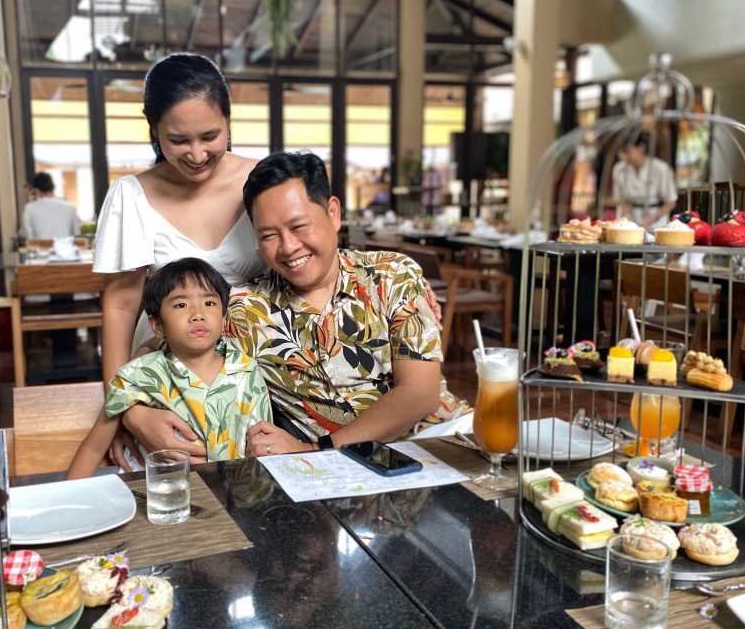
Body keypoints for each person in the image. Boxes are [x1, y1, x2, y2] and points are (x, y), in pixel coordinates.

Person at [122, 151, 469, 458]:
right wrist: (133, 413)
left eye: (299, 226)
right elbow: (157, 348)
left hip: (438, 441)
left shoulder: (392, 275)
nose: (288, 247)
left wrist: (318, 451)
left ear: (333, 213)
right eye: (268, 235)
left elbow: (419, 395)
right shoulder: (245, 309)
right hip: (347, 476)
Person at [86, 53, 266, 469]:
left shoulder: (262, 180)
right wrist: (128, 410)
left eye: (210, 136)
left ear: (229, 122)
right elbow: (120, 306)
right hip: (164, 379)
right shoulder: (132, 195)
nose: (197, 154)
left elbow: (308, 258)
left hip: (251, 378)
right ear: (154, 131)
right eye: (178, 140)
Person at [66, 258, 272, 478]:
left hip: (233, 495)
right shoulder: (138, 375)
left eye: (209, 303)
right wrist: (65, 506)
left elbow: (262, 444)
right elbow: (93, 448)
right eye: (181, 305)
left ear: (224, 319)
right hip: (159, 496)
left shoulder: (247, 371)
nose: (198, 314)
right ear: (156, 325)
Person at [611, 132, 678, 230]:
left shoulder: (660, 168)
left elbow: (671, 202)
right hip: (630, 221)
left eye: (627, 151)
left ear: (641, 148)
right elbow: (622, 201)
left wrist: (652, 218)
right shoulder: (619, 169)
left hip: (656, 221)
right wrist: (619, 221)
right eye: (621, 152)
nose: (624, 156)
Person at [21, 172, 80, 239]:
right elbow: (77, 234)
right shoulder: (70, 207)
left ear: (36, 190)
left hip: (40, 248)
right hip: (65, 248)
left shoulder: (29, 208)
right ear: (53, 186)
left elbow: (28, 236)